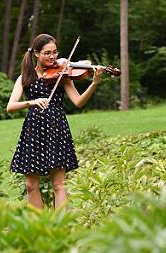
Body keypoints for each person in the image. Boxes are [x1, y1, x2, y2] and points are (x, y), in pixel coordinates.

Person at [6, 34, 103, 209]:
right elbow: (10, 106)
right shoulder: (24, 78)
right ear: (36, 53)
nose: (52, 57)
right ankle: (40, 227)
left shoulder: (62, 76)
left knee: (59, 184)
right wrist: (32, 102)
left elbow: (79, 102)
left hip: (56, 129)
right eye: (47, 53)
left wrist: (94, 83)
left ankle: (60, 226)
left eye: (55, 53)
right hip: (33, 130)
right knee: (30, 185)